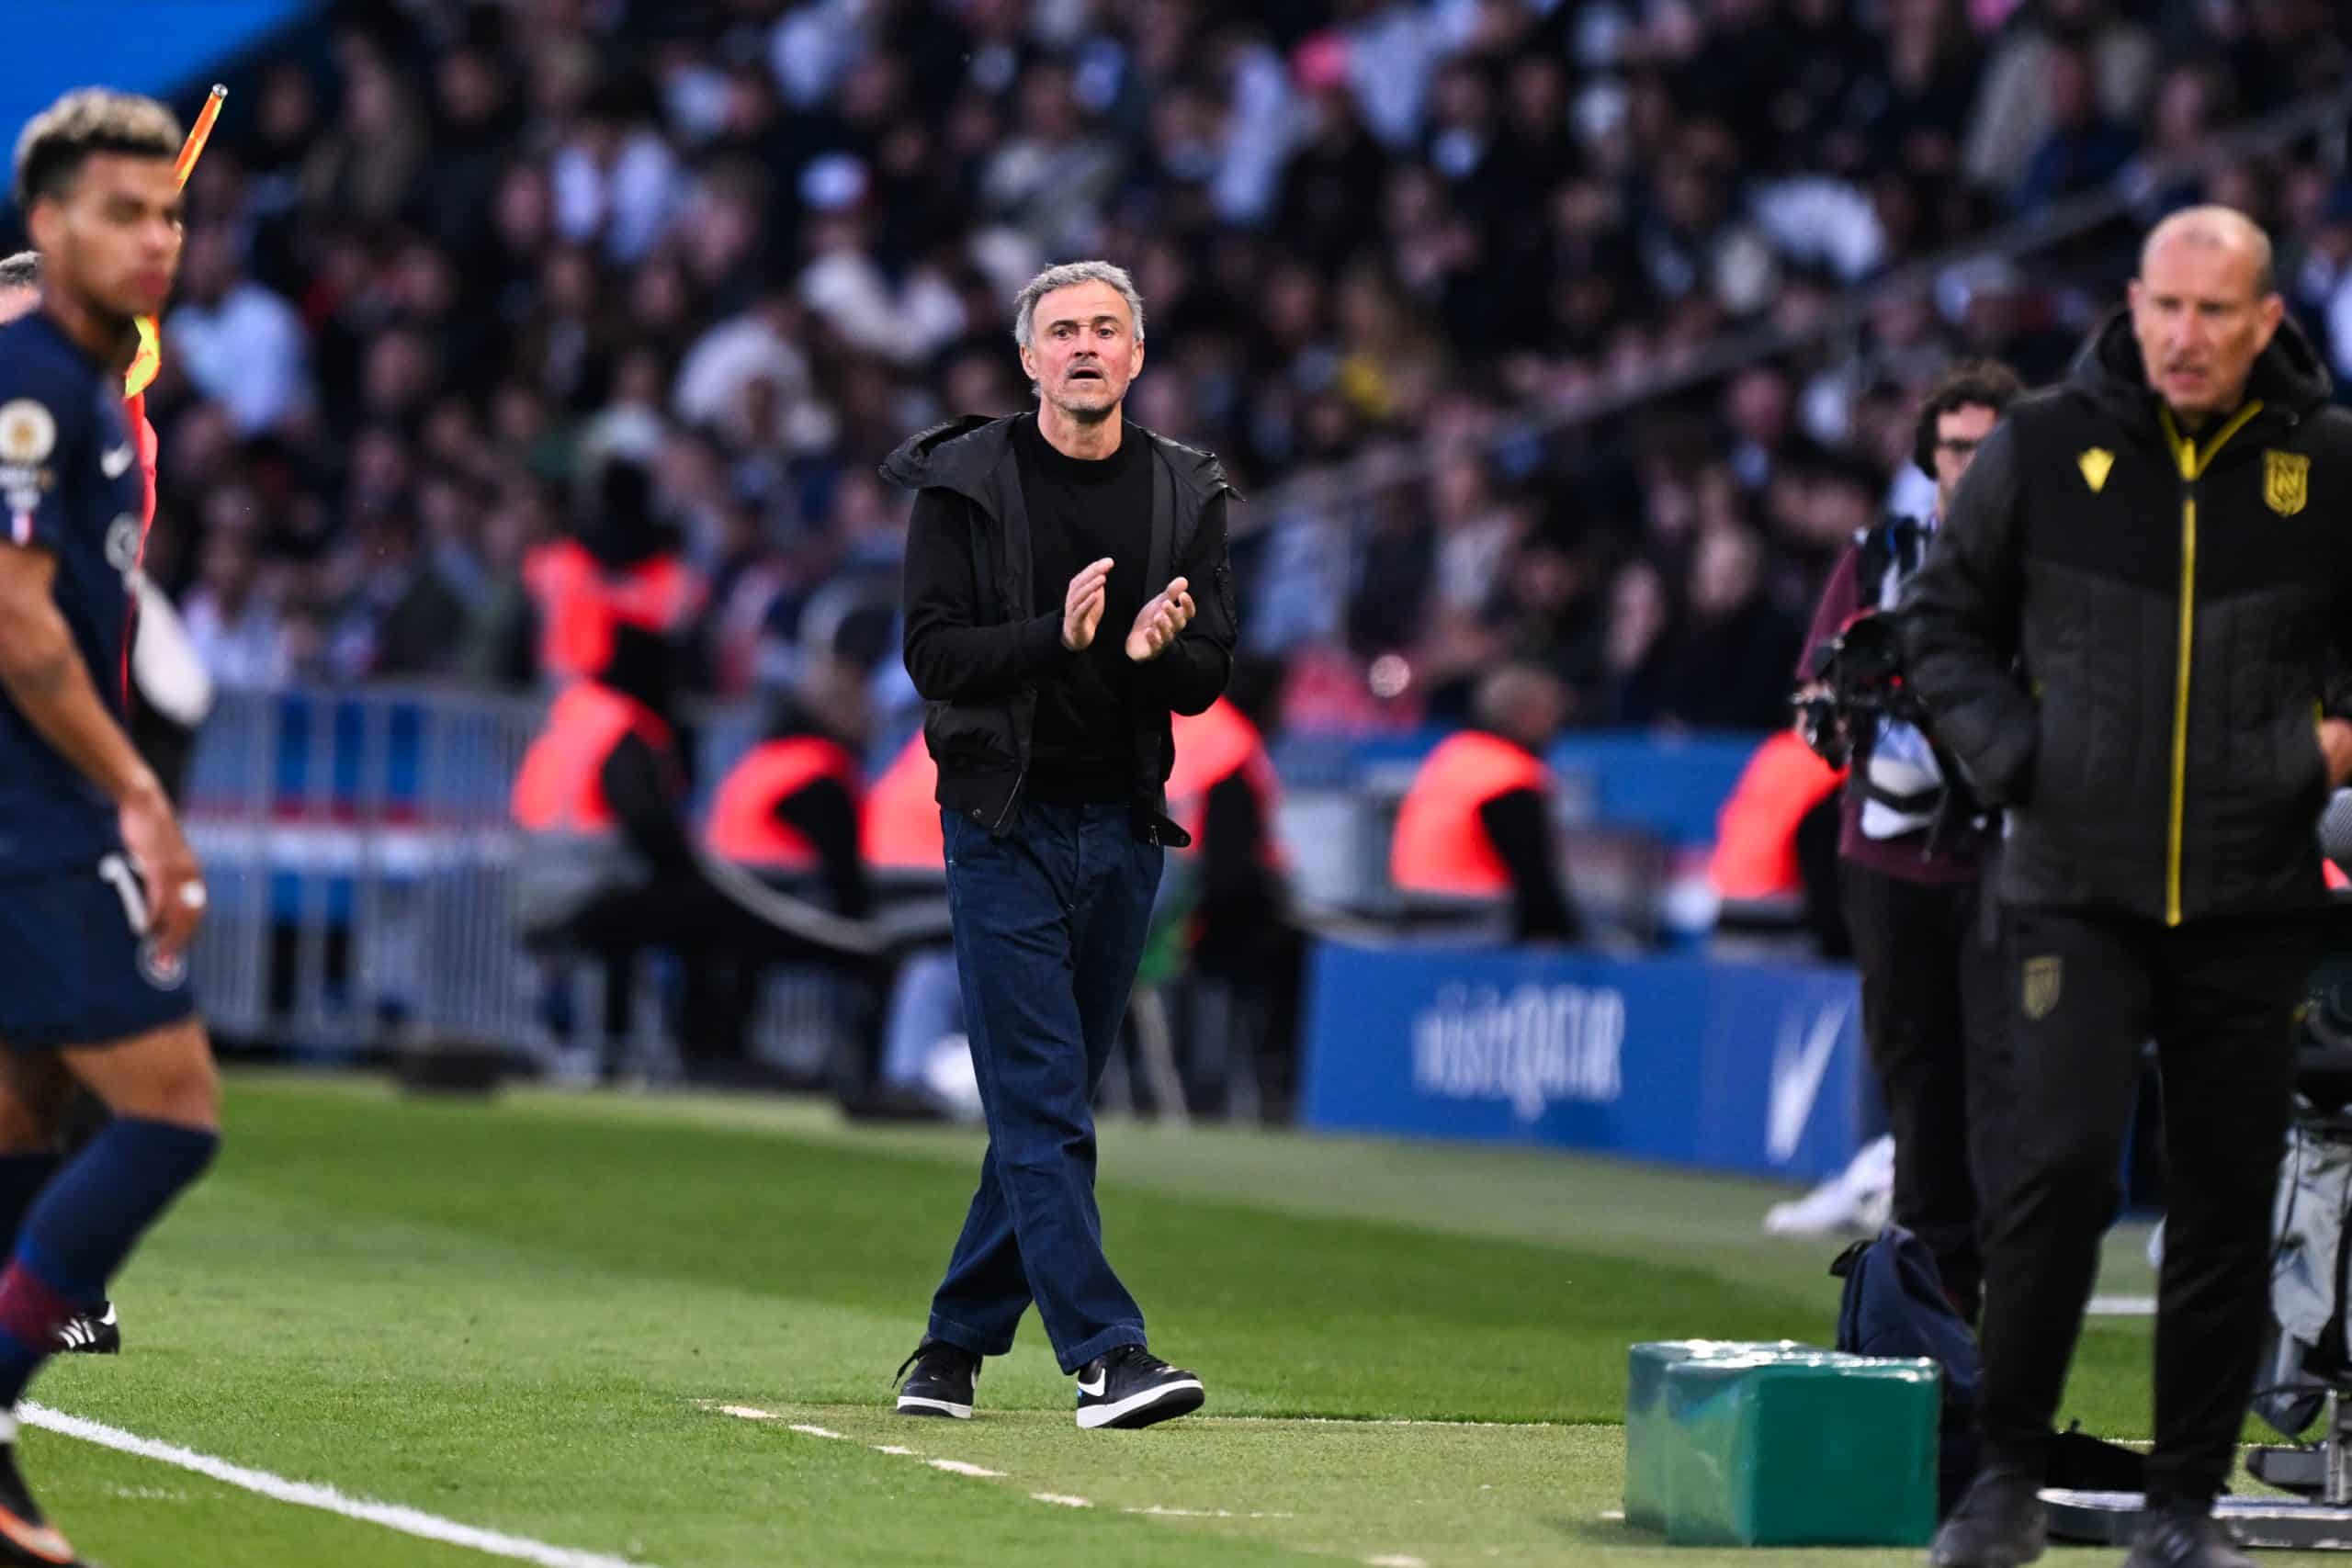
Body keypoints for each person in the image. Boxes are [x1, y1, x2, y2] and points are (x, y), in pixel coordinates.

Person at [1908, 206, 2352, 1568]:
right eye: (2169, 305)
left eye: (2218, 312)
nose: (2187, 335)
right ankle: (2005, 1484)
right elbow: (1939, 625)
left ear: (2267, 320)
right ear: (2135, 301)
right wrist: (2019, 757)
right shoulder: (2043, 445)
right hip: (2072, 884)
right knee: (2051, 1179)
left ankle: (2181, 1505)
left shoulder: (2328, 466)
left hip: (2254, 891)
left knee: (2225, 1198)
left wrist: (2326, 743)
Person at [881, 259, 1235, 1430]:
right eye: (1061, 331)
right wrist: (1054, 634)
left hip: (1125, 827)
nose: (1084, 347)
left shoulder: (1186, 491)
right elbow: (932, 655)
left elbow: (1208, 672)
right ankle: (1106, 1354)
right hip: (1002, 826)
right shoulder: (963, 484)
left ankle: (950, 1346)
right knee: (1041, 1102)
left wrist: (1156, 651)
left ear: (1136, 356)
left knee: (1049, 1101)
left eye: (1104, 330)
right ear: (1026, 359)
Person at [0, 89, 223, 1565]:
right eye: (123, 214)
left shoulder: (83, 388)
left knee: (24, 1118)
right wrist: (141, 795)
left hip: (39, 795)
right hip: (34, 805)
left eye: (171, 215)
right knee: (169, 1110)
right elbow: (18, 628)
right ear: (46, 227)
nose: (158, 240)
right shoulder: (28, 388)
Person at [1795, 360, 2024, 1324]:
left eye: (1989, 448)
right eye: (1956, 448)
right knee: (1914, 1068)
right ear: (1929, 454)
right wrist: (1843, 708)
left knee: (2003, 1067)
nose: (1970, 466)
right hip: (1889, 847)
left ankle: (2003, 1277)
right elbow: (1810, 702)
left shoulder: (2059, 566)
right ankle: (1938, 1282)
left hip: (2008, 846)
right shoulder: (1878, 555)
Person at [1389, 663, 1581, 943]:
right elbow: (1535, 882)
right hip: (1477, 921)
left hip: (1416, 913)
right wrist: (1576, 948)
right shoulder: (1509, 776)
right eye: (1551, 714)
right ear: (1526, 714)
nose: (1556, 726)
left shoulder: (1455, 754)